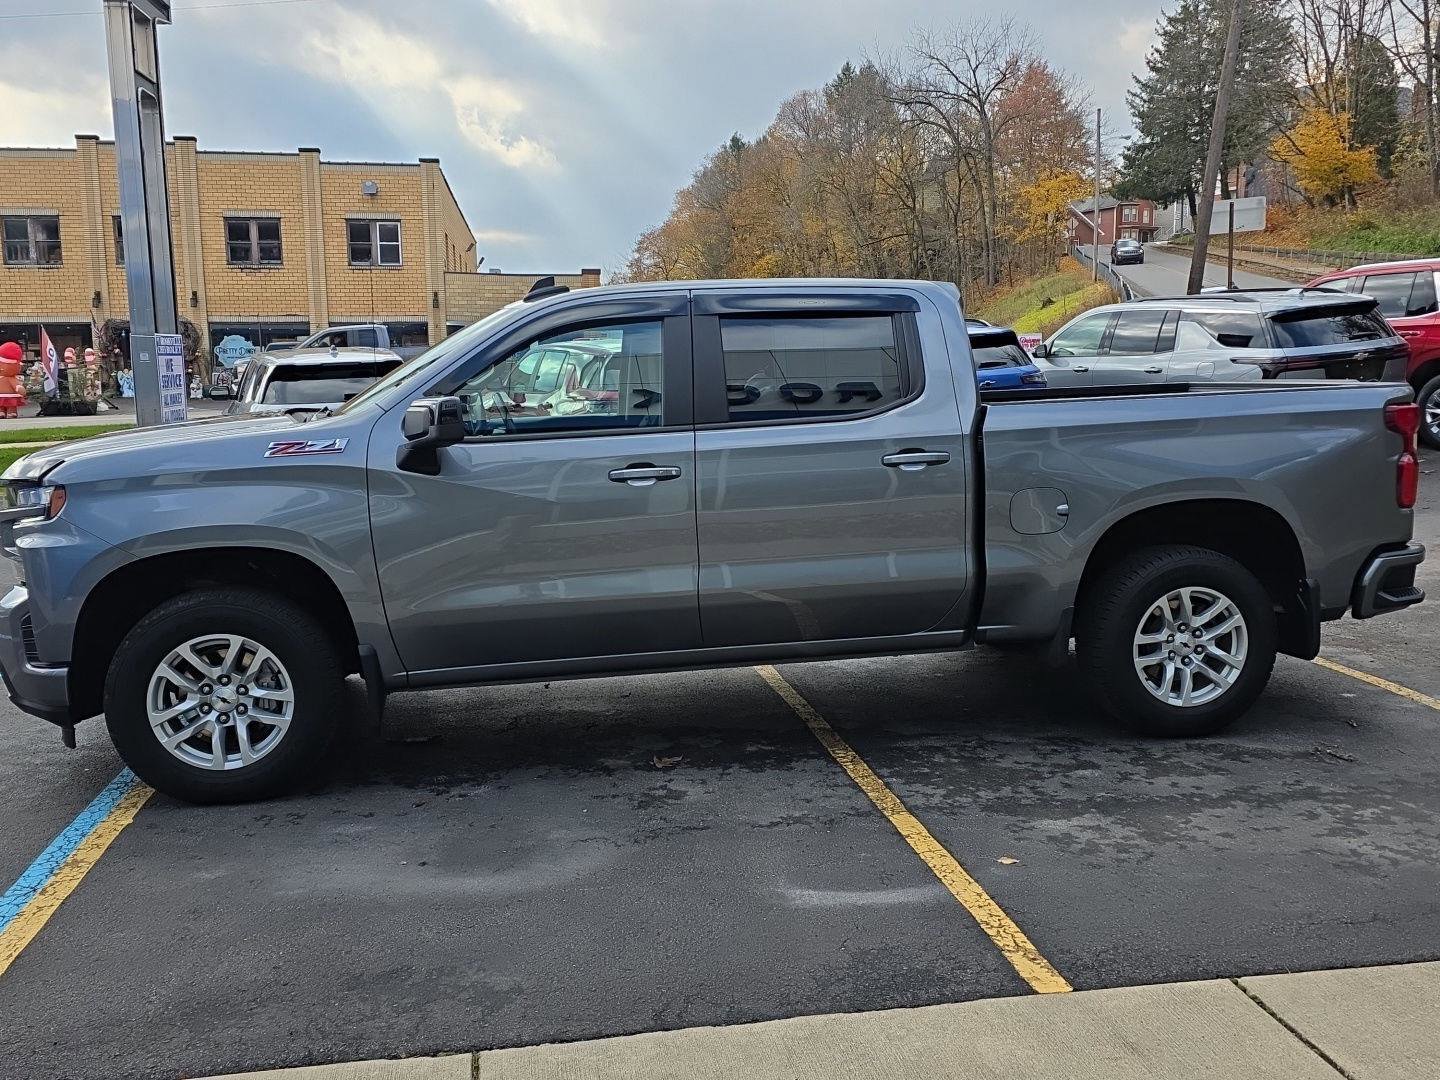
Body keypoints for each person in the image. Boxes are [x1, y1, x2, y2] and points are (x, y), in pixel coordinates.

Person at [0, 342, 27, 419]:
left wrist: (19, 388)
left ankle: (11, 411)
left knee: (11, 404)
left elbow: (16, 385)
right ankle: (1, 411)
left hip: (10, 396)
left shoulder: (11, 379)